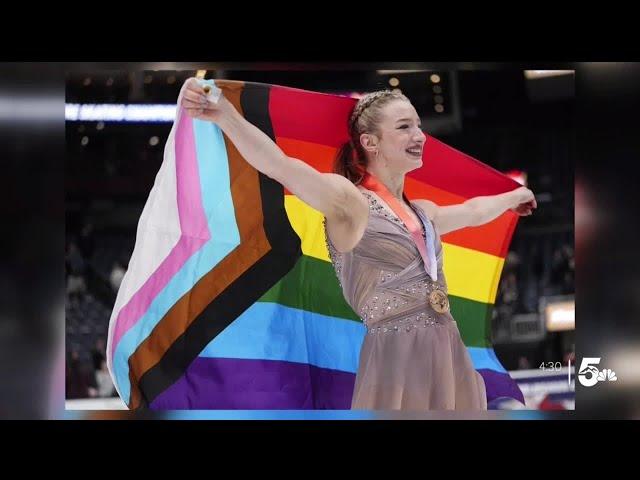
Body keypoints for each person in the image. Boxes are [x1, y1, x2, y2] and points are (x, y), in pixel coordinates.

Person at [180, 78, 536, 410]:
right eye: (404, 127)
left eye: (418, 125)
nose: (420, 135)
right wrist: (223, 114)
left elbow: (473, 211)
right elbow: (279, 165)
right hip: (395, 360)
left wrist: (512, 197)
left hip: (449, 351)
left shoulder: (423, 212)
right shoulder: (350, 202)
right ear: (370, 142)